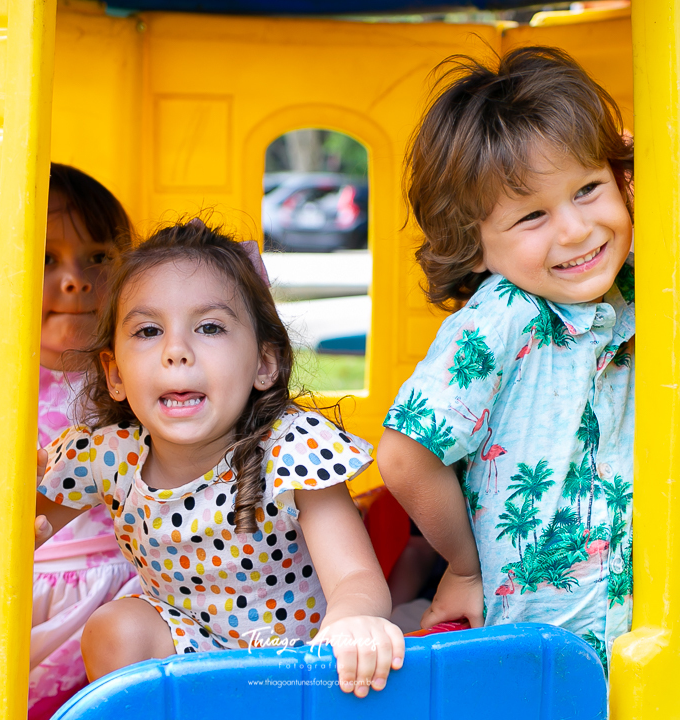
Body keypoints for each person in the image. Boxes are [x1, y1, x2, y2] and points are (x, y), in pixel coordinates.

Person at [375, 47, 680, 669]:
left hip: (643, 629)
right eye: (532, 215)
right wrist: (463, 568)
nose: (573, 229)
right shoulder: (503, 318)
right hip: (530, 638)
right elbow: (405, 455)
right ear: (475, 246)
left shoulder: (644, 286)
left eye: (588, 188)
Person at [33, 219, 405, 697]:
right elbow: (18, 534)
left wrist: (353, 622)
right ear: (115, 373)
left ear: (264, 362)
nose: (176, 351)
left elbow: (356, 575)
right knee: (115, 627)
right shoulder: (109, 454)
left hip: (296, 668)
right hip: (189, 661)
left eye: (210, 327)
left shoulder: (291, 449)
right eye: (148, 331)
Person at [30, 164, 139, 719]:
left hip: (137, 590)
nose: (74, 279)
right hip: (33, 602)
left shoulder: (143, 369)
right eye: (45, 258)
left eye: (97, 256)